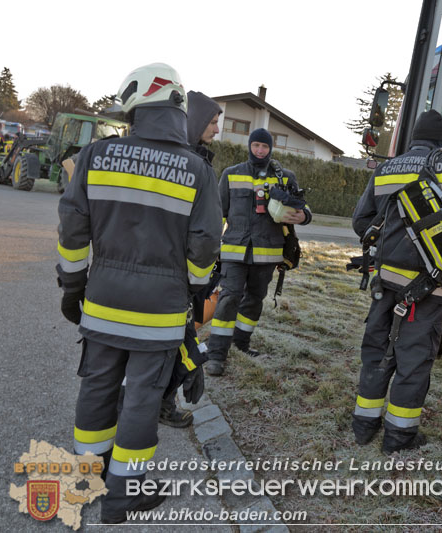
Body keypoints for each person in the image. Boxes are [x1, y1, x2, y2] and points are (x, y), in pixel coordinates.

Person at [57, 63, 222, 524]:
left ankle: (87, 479)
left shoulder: (96, 155)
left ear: (135, 107)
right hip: (160, 314)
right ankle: (123, 497)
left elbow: (73, 231)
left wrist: (73, 289)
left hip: (102, 303)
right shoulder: (197, 170)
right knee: (142, 400)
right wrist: (191, 291)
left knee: (97, 388)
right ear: (177, 106)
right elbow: (206, 244)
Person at [351, 110, 442, 454]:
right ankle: (399, 437)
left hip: (383, 282)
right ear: (441, 140)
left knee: (377, 350)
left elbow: (361, 223)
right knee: (414, 357)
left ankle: (363, 425)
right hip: (428, 285)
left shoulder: (388, 167)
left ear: (412, 137)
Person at [204, 128, 311, 376]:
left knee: (254, 299)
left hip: (268, 253)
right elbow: (217, 213)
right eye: (256, 146)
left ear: (271, 148)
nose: (260, 151)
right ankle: (216, 354)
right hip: (233, 251)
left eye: (264, 147)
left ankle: (241, 344)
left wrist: (303, 215)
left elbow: (304, 210)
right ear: (249, 146)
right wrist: (209, 246)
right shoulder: (231, 174)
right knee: (229, 297)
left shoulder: (285, 177)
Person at [156, 90, 224, 428]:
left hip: (170, 272)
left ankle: (156, 402)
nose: (216, 130)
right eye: (212, 122)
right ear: (194, 121)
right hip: (176, 276)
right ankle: (157, 405)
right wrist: (198, 281)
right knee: (171, 344)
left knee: (173, 343)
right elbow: (203, 232)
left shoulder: (188, 159)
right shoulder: (192, 165)